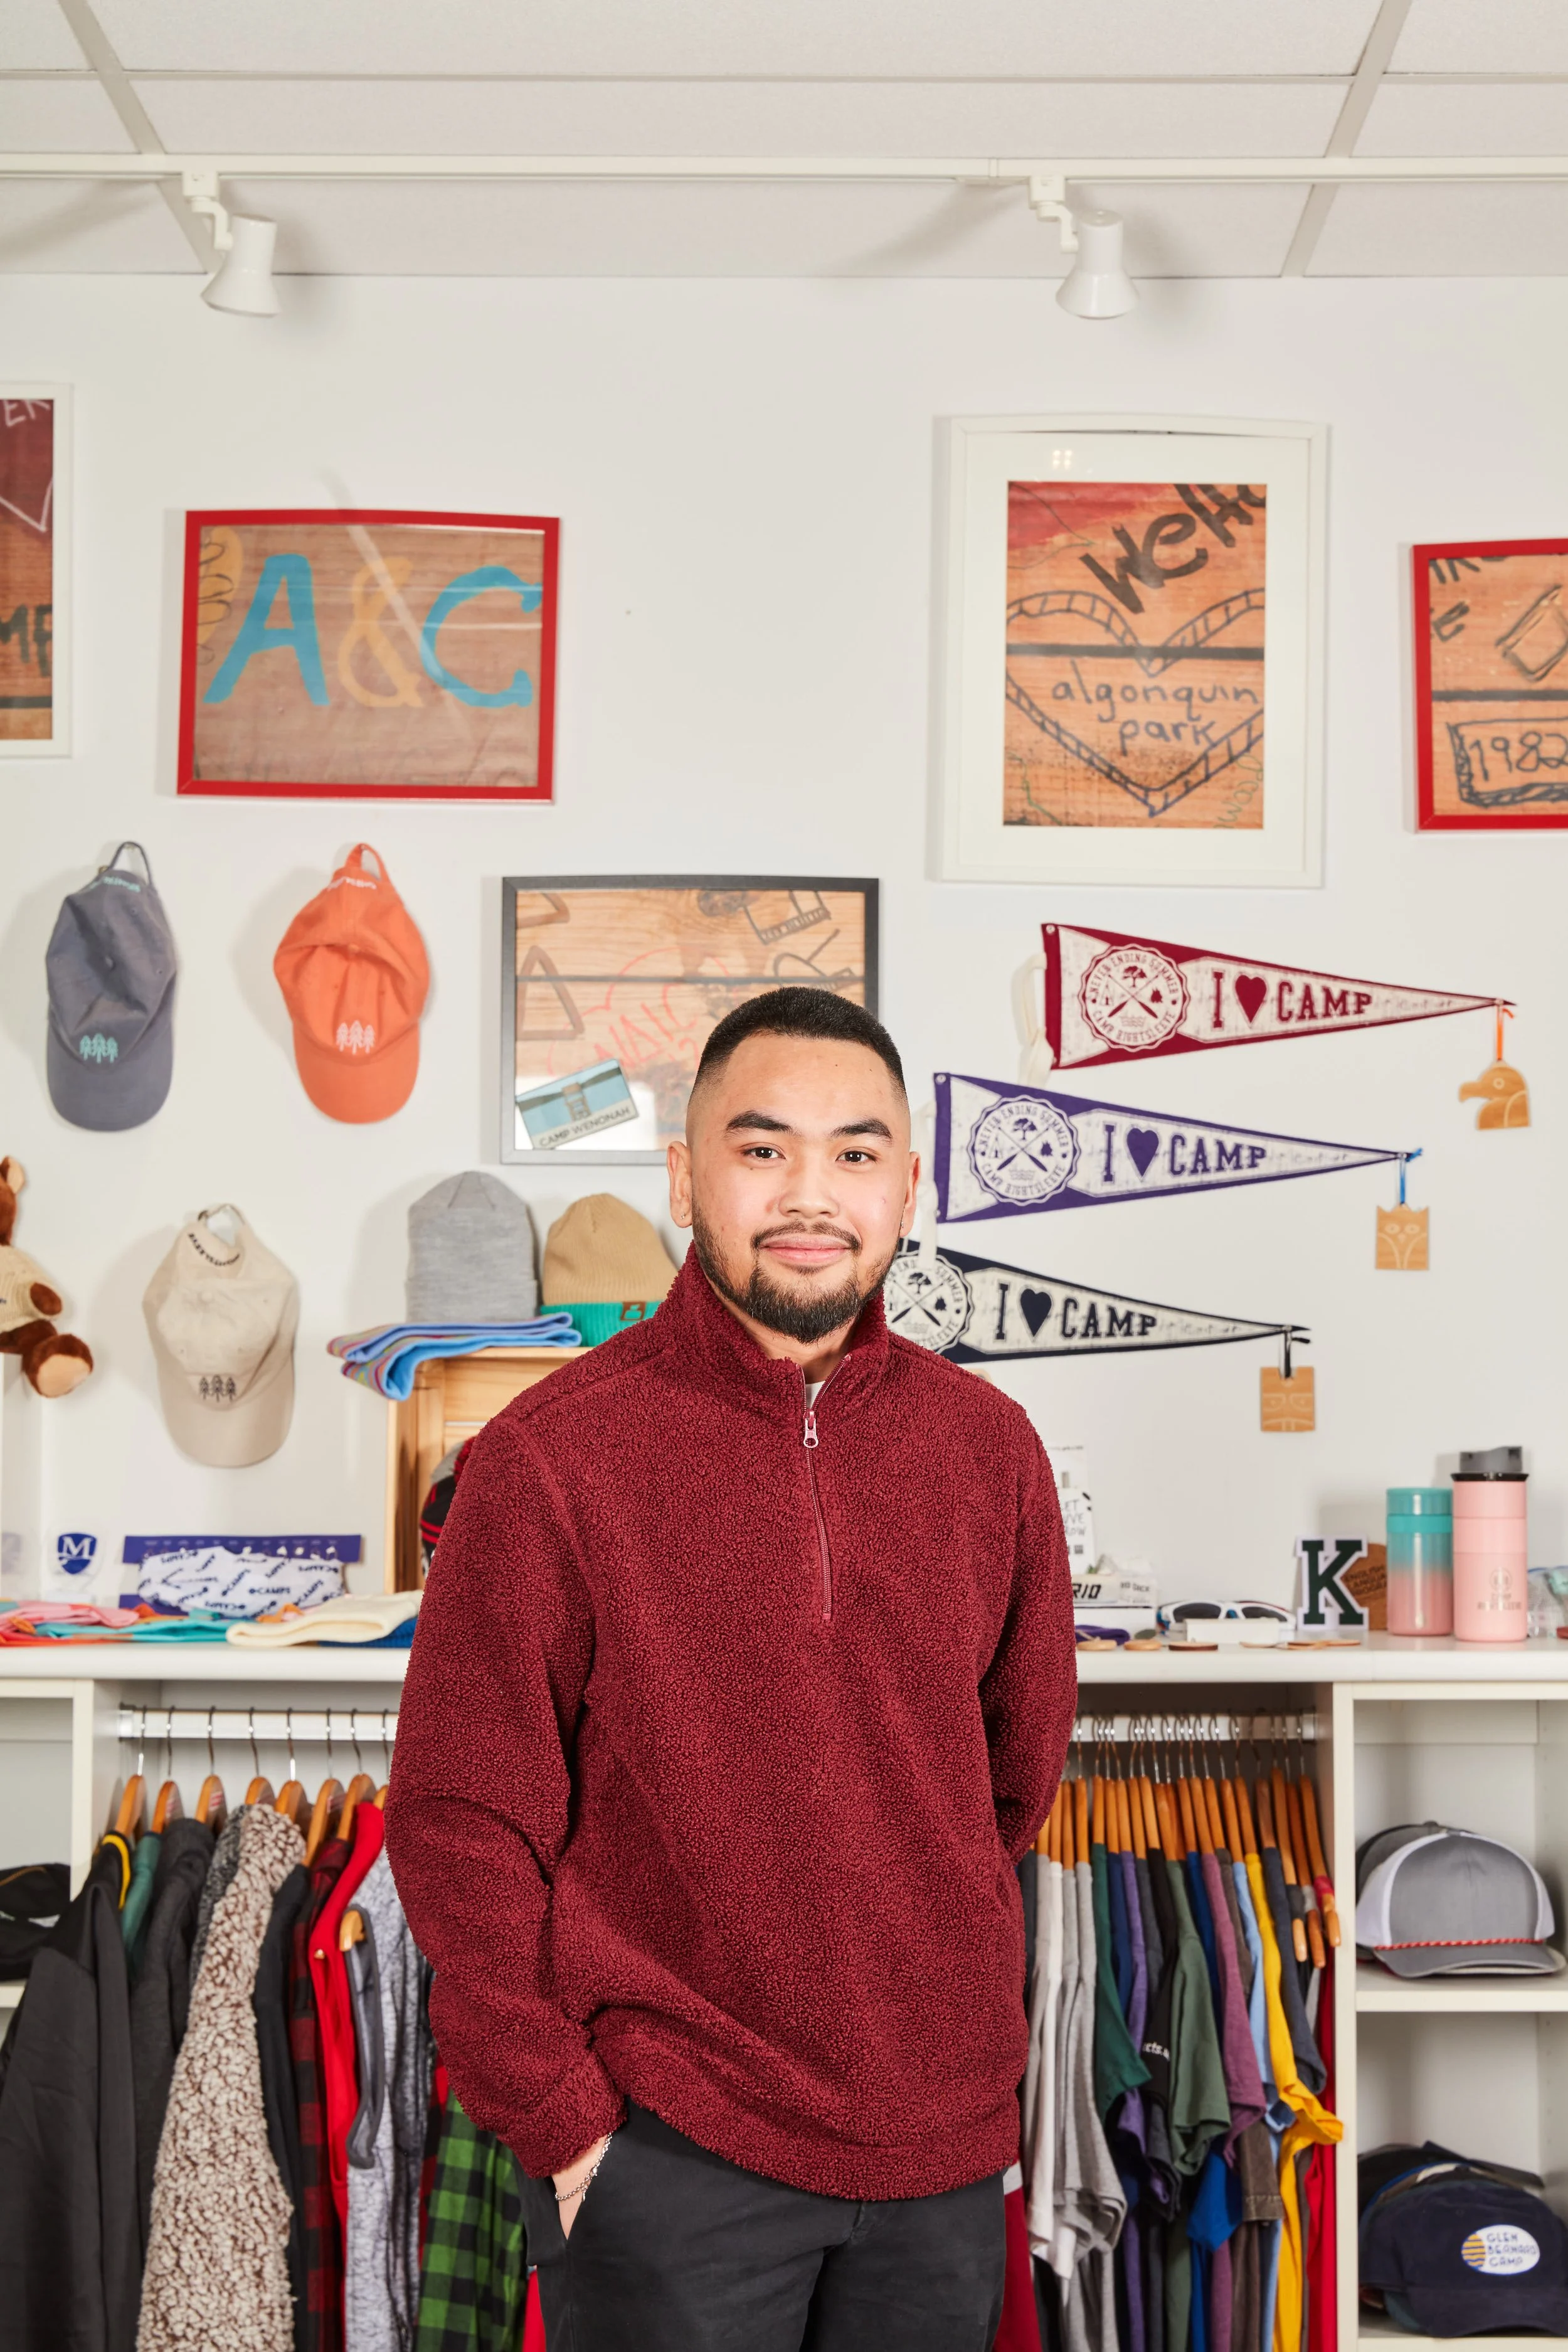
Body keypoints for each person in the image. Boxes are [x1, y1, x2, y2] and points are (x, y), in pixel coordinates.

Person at [386, 986, 1076, 2351]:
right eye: (760, 1148)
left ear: (906, 1184)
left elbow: (1008, 1780)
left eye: (855, 1152)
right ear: (683, 1174)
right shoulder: (549, 1457)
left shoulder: (988, 1450)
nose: (808, 1192)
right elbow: (460, 1816)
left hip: (934, 2153)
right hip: (666, 2150)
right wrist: (569, 2126)